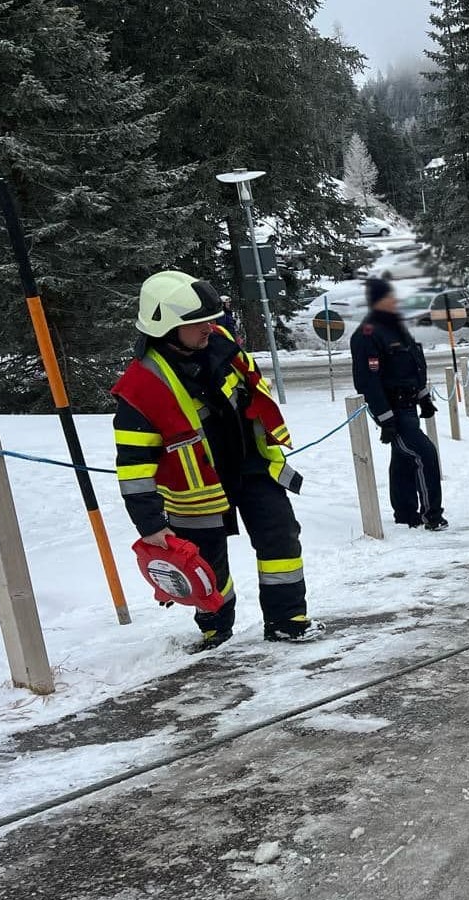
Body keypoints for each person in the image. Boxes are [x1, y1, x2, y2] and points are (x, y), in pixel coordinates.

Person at [111, 271, 319, 652]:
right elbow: (133, 468)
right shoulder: (139, 389)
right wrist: (151, 524)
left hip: (251, 466)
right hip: (197, 492)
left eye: (209, 319)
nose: (209, 327)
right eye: (197, 322)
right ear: (167, 327)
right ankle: (215, 632)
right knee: (207, 567)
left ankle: (287, 622)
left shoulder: (220, 344)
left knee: (280, 536)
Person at [351, 278, 447, 531]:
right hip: (392, 408)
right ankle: (432, 515)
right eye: (389, 298)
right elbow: (367, 381)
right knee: (424, 454)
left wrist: (424, 397)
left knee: (404, 458)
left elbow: (414, 365)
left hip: (409, 405)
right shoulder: (367, 334)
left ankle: (405, 513)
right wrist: (385, 418)